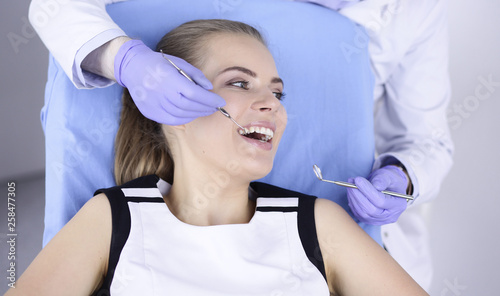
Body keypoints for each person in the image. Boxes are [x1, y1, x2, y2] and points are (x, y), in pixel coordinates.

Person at [29, 0, 453, 289]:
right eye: (238, 82)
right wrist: (124, 60)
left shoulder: (321, 226)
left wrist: (403, 178)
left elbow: (426, 140)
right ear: (170, 107)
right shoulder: (109, 222)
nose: (271, 104)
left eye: (279, 92)